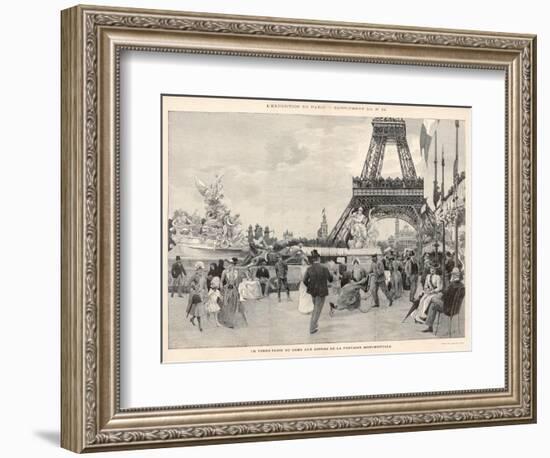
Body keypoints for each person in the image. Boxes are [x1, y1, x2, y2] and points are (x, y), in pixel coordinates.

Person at [422, 267, 465, 333]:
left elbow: (445, 295)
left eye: (453, 275)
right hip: (455, 309)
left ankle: (425, 315)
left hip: (447, 308)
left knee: (432, 299)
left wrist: (440, 294)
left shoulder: (452, 285)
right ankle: (429, 326)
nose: (451, 276)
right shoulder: (462, 286)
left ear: (454, 276)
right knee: (433, 305)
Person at [302, 251, 333, 334]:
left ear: (313, 259)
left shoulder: (309, 268)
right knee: (317, 310)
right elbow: (330, 279)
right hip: (321, 292)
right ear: (319, 259)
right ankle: (312, 328)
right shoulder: (324, 268)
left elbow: (304, 280)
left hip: (313, 292)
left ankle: (314, 325)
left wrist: (310, 287)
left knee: (315, 308)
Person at [219, 258, 248, 328]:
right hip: (227, 290)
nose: (230, 266)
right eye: (229, 264)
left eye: (232, 264)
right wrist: (221, 288)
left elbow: (238, 282)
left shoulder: (236, 272)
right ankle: (226, 321)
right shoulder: (224, 272)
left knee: (233, 305)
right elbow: (221, 281)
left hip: (234, 290)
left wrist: (238, 290)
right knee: (226, 305)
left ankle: (232, 321)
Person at [185, 262, 207, 332]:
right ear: (197, 270)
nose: (200, 271)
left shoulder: (203, 277)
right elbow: (188, 283)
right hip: (195, 295)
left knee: (198, 311)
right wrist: (192, 289)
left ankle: (192, 319)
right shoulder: (194, 276)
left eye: (202, 270)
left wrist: (206, 294)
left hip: (201, 295)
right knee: (198, 311)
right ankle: (200, 326)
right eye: (199, 270)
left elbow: (205, 287)